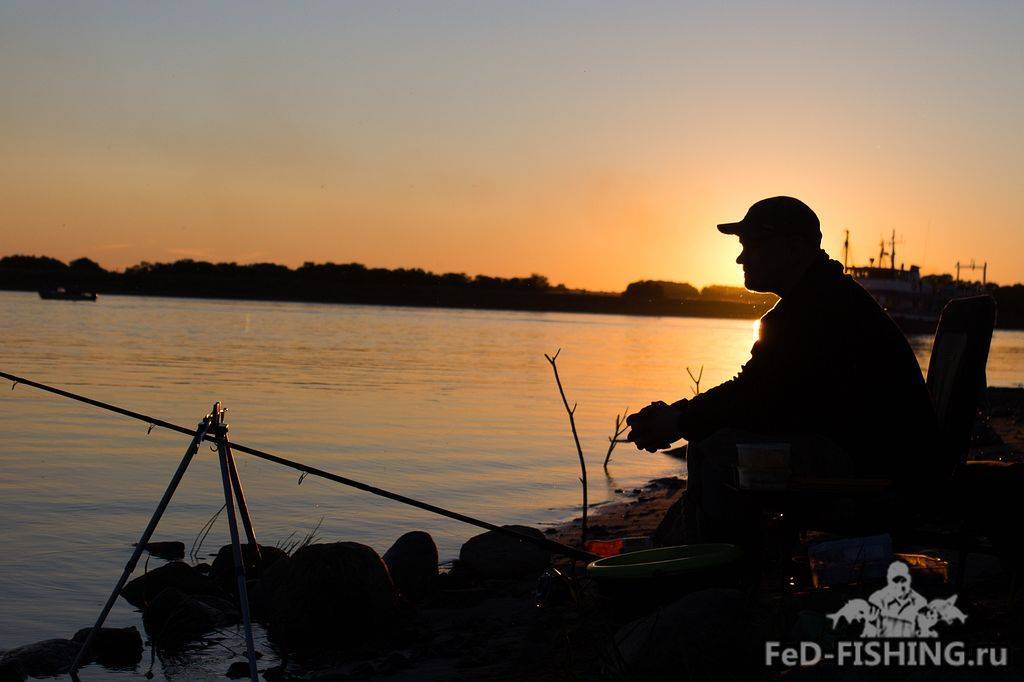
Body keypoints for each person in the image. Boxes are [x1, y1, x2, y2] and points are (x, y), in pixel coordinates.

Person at [626, 196, 940, 545]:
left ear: (792, 248)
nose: (740, 257)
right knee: (715, 438)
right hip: (878, 460)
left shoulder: (817, 309)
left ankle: (725, 573)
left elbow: (753, 398)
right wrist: (682, 416)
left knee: (714, 450)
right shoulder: (821, 298)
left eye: (752, 246)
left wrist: (680, 421)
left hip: (880, 477)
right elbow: (760, 393)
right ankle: (705, 554)